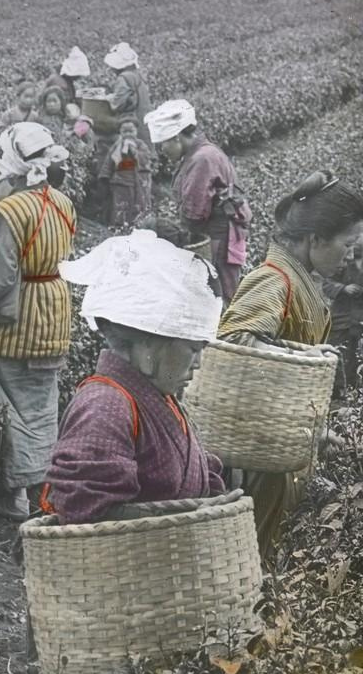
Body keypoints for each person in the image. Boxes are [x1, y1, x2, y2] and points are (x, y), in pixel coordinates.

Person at [217, 171, 363, 560]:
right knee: (254, 555)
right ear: (315, 239)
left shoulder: (301, 281)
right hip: (259, 456)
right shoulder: (274, 280)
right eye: (348, 244)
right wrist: (302, 358)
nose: (350, 255)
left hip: (280, 448)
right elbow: (235, 342)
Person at [40, 229, 226, 524]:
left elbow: (200, 469)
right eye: (193, 349)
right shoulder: (105, 406)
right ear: (150, 340)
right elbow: (89, 521)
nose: (198, 364)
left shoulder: (158, 398)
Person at [0, 122, 76, 521]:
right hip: (54, 308)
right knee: (42, 406)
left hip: (20, 318)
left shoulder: (8, 211)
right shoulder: (62, 202)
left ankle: (24, 496)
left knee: (14, 408)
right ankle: (42, 493)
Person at [146, 98, 250, 304]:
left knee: (220, 292)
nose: (162, 152)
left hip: (219, 233)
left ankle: (229, 333)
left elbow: (195, 212)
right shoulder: (200, 152)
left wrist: (178, 237)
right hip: (220, 229)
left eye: (163, 145)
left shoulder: (201, 159)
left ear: (176, 138)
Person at [99, 116, 154, 228]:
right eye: (125, 131)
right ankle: (120, 225)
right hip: (121, 180)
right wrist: (105, 175)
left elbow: (146, 158)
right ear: (120, 132)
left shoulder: (140, 144)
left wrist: (134, 152)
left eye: (131, 131)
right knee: (121, 204)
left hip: (138, 179)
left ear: (137, 131)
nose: (128, 134)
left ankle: (139, 225)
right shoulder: (117, 146)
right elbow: (109, 160)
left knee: (139, 203)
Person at [325, 239, 363, 394]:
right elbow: (327, 283)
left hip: (359, 321)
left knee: (356, 354)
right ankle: (335, 387)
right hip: (341, 318)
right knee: (338, 350)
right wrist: (343, 288)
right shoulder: (344, 263)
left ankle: (354, 388)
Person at [104, 42, 153, 145]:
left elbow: (116, 105)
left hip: (133, 121)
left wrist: (107, 99)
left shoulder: (124, 78)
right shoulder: (136, 75)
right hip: (144, 117)